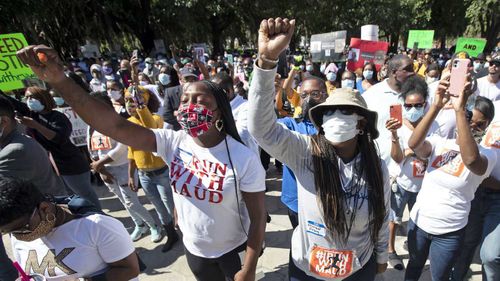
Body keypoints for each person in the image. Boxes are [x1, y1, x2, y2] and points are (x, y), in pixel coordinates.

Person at [17, 44, 267, 281]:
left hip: (235, 250)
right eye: (185, 101)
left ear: (220, 111)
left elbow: (257, 218)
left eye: (200, 101)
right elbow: (113, 125)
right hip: (194, 249)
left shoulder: (242, 157)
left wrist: (249, 269)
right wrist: (61, 81)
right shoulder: (173, 142)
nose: (190, 107)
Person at [248, 17, 389, 280]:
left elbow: (381, 215)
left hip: (357, 267)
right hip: (307, 269)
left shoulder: (376, 165)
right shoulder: (305, 152)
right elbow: (261, 129)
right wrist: (266, 62)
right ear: (321, 121)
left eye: (346, 111)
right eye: (330, 112)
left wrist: (381, 258)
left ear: (361, 124)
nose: (337, 116)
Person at [404, 75, 497, 281]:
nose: (472, 127)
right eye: (469, 120)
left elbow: (471, 161)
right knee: (415, 267)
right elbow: (414, 143)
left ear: (488, 125)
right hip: (420, 223)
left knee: (440, 277)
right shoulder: (440, 143)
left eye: (479, 125)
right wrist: (436, 105)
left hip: (449, 231)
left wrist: (459, 111)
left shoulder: (488, 155)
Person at [0, 177, 140, 281]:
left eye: (23, 229)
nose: (19, 237)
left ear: (44, 208)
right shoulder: (16, 233)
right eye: (8, 233)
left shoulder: (96, 226)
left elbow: (130, 270)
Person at [88, 92, 163, 243]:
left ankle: (153, 225)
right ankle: (139, 225)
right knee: (123, 202)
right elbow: (91, 147)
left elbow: (122, 148)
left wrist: (100, 163)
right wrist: (100, 168)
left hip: (121, 168)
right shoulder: (91, 125)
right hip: (105, 171)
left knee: (131, 202)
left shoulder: (118, 122)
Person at [14, 87, 101, 209]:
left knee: (85, 194)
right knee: (70, 198)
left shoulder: (58, 117)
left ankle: (99, 216)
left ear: (43, 99)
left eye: (32, 97)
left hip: (70, 163)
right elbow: (12, 103)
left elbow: (58, 138)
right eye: (27, 97)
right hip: (52, 166)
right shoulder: (33, 116)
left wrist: (35, 126)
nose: (28, 100)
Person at [384, 76, 438, 270]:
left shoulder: (433, 125)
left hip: (425, 184)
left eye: (418, 105)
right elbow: (398, 157)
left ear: (425, 103)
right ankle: (390, 250)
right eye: (408, 106)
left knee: (419, 219)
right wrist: (394, 136)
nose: (413, 109)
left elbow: (434, 153)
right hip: (402, 181)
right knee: (394, 218)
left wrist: (415, 152)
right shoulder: (398, 125)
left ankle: (413, 245)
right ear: (403, 104)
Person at [450, 98, 499, 281]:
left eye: (480, 124)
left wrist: (484, 176)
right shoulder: (470, 134)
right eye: (472, 123)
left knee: (490, 255)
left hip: (497, 201)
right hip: (475, 194)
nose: (475, 127)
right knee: (467, 243)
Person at [124, 86, 177, 252]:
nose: (129, 105)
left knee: (171, 205)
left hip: (161, 173)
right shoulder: (128, 123)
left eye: (133, 101)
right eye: (127, 101)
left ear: (144, 102)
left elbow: (150, 128)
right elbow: (131, 150)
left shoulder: (155, 118)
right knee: (159, 208)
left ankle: (184, 232)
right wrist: (131, 175)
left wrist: (141, 108)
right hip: (144, 175)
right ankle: (172, 235)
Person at [277, 77, 328, 229]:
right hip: (296, 202)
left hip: (326, 201)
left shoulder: (334, 125)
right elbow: (264, 129)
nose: (309, 99)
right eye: (304, 95)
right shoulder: (290, 125)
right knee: (298, 247)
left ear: (325, 95)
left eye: (315, 94)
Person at [363, 54, 415, 182]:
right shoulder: (371, 95)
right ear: (393, 72)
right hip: (382, 168)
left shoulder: (418, 94)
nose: (412, 73)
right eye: (407, 69)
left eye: (413, 68)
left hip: (411, 171)